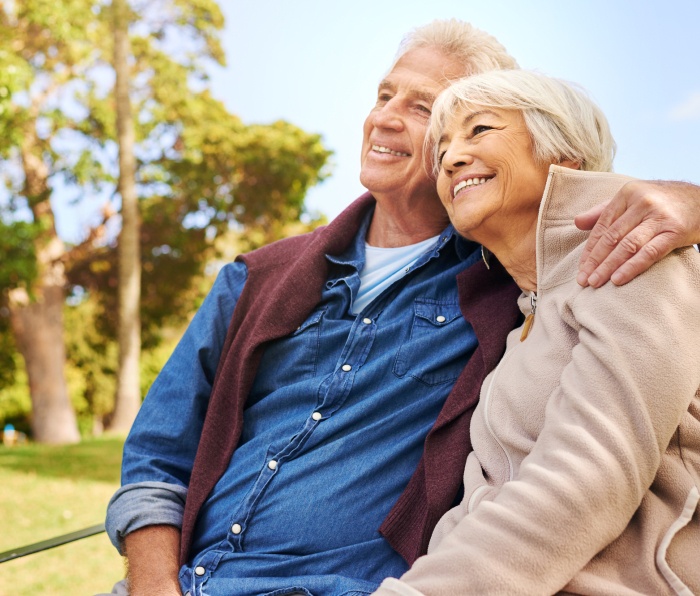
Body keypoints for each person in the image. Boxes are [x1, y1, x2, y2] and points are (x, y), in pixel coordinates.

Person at [105, 20, 700, 596]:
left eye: (426, 110)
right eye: (385, 95)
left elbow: (581, 476)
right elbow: (157, 458)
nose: (386, 118)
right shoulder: (258, 278)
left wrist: (690, 201)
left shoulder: (518, 280)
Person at [373, 70, 700, 595]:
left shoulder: (634, 248)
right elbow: (478, 507)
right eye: (443, 152)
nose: (452, 158)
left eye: (479, 130)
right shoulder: (513, 327)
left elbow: (589, 477)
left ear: (564, 153)